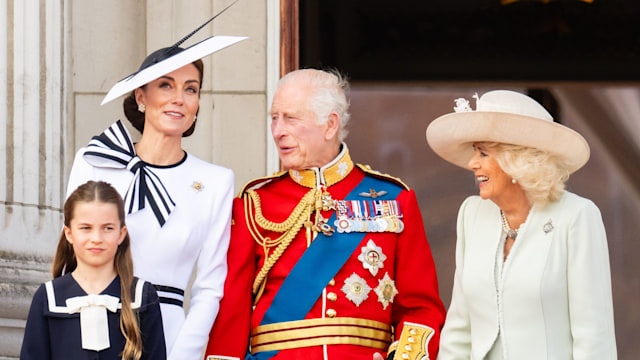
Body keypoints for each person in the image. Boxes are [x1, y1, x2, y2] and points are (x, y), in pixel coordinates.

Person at [205, 68, 446, 360]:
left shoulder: (395, 199)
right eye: (274, 118)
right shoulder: (253, 203)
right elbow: (231, 315)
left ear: (330, 125)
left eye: (291, 118)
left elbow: (421, 309)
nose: (278, 130)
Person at [65, 31, 245, 358]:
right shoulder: (95, 162)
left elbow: (209, 288)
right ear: (141, 97)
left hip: (168, 336)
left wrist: (183, 355)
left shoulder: (216, 181)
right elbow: (71, 260)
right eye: (166, 85)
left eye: (191, 89)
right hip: (93, 327)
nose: (179, 98)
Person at [425, 90, 617, 359]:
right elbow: (459, 330)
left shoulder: (576, 216)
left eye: (483, 153)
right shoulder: (471, 214)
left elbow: (594, 338)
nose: (472, 163)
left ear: (516, 160)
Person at [21, 180, 166, 359]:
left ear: (121, 234)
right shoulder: (48, 297)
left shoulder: (143, 296)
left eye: (107, 228)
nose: (96, 238)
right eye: (86, 228)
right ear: (69, 233)